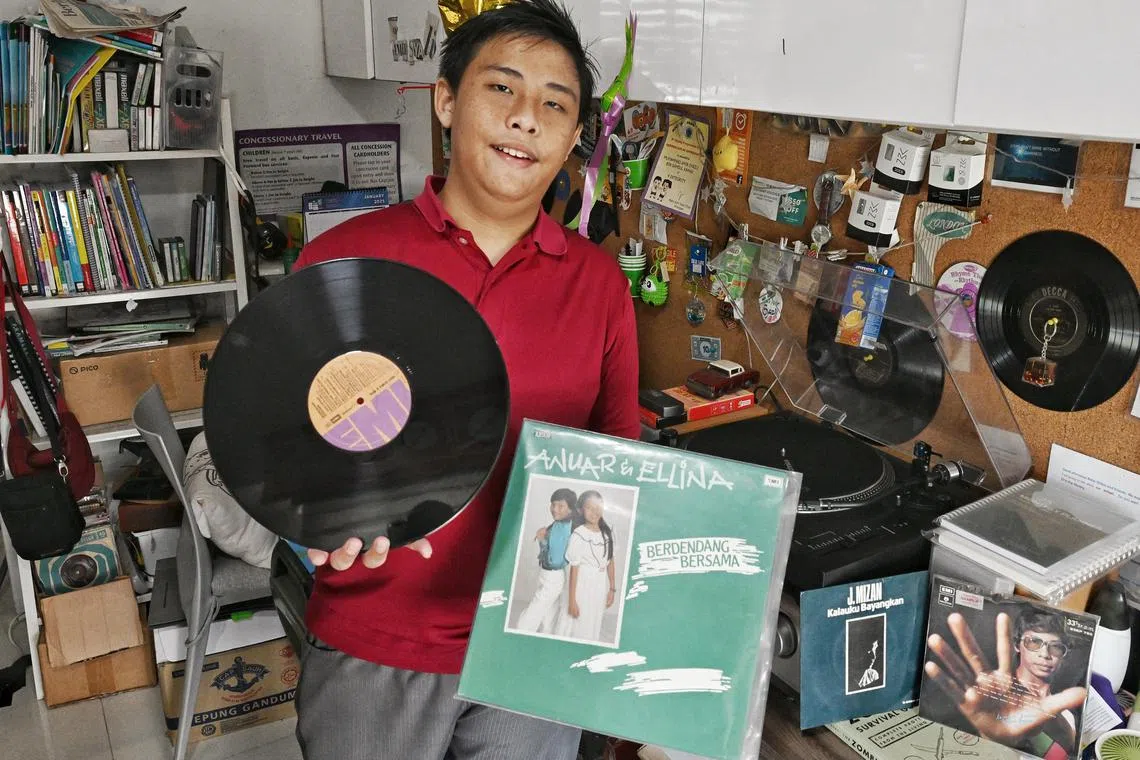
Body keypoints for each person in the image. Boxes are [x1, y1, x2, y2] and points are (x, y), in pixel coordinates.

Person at [288, 1, 640, 758]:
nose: (526, 118)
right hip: (377, 636)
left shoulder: (599, 284)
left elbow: (619, 466)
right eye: (502, 88)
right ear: (446, 101)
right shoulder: (344, 261)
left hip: (534, 643)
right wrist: (306, 520)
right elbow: (280, 440)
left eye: (555, 104)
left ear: (574, 137)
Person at [923, 608, 1086, 757]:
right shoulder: (980, 696)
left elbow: (1069, 747)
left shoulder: (1066, 714)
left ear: (1064, 655)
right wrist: (990, 736)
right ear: (1017, 645)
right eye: (1034, 642)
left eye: (1056, 647)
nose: (1045, 654)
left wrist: (1051, 717)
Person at [555, 490, 616, 643]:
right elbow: (574, 570)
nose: (594, 511)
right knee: (575, 625)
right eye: (589, 507)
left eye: (598, 507)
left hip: (598, 587)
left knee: (591, 623)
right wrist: (572, 601)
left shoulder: (607, 534)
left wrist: (612, 589)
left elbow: (610, 561)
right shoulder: (579, 534)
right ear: (581, 510)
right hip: (581, 587)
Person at [515, 487, 577, 633]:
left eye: (560, 506)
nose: (555, 509)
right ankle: (545, 634)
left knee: (536, 608)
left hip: (553, 576)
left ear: (570, 509)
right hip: (549, 574)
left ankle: (520, 631)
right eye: (553, 504)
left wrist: (542, 541)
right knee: (548, 612)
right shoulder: (559, 524)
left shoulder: (563, 528)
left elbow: (555, 560)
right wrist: (543, 540)